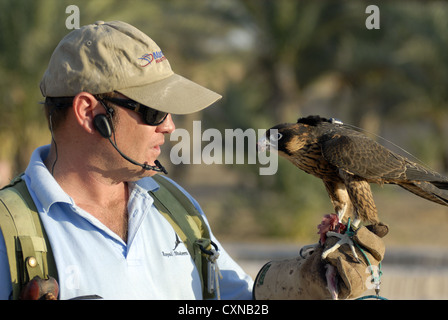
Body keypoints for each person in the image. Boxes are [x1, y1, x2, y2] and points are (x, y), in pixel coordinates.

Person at [0, 21, 385, 300]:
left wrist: (308, 282)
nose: (169, 126)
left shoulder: (173, 207)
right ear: (89, 112)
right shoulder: (9, 234)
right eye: (153, 111)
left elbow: (238, 301)